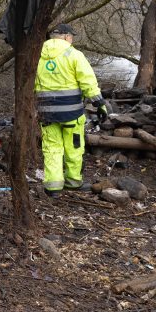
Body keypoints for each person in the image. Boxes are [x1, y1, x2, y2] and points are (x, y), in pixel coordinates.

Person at [35, 24, 107, 198]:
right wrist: (100, 104)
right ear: (66, 37)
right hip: (71, 114)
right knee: (74, 147)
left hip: (46, 113)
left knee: (52, 148)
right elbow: (87, 81)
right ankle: (73, 182)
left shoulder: (37, 54)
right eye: (71, 36)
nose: (72, 39)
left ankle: (53, 187)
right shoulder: (74, 54)